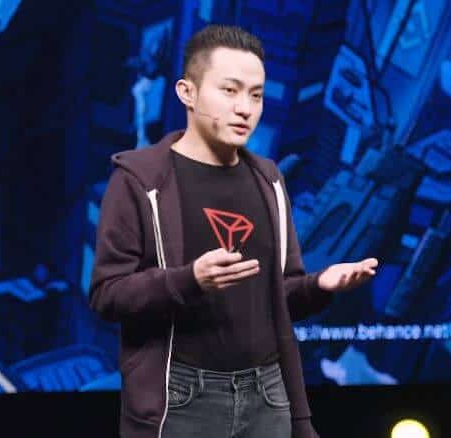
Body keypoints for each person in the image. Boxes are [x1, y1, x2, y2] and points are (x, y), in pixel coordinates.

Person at [89, 24, 378, 438]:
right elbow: (108, 296)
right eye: (230, 91)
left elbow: (278, 302)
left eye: (255, 95)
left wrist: (320, 285)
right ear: (187, 93)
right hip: (179, 399)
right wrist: (189, 280)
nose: (245, 108)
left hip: (266, 394)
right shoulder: (140, 180)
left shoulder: (268, 180)